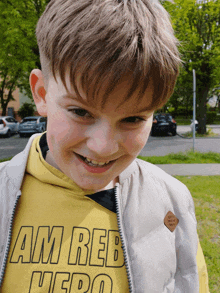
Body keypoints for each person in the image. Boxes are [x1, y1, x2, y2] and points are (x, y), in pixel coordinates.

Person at [0, 0, 209, 292]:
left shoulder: (172, 202)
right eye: (81, 112)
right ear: (42, 93)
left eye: (133, 119)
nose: (102, 147)